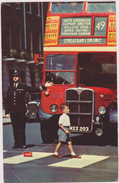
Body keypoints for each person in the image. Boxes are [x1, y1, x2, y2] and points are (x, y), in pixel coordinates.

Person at [5, 68, 53, 149]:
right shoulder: (10, 88)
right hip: (13, 111)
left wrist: (44, 87)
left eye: (17, 76)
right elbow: (8, 101)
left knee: (22, 128)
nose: (15, 78)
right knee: (15, 128)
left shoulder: (22, 86)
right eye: (14, 76)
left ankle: (23, 143)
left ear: (19, 77)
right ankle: (16, 143)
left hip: (21, 111)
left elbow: (33, 89)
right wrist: (7, 112)